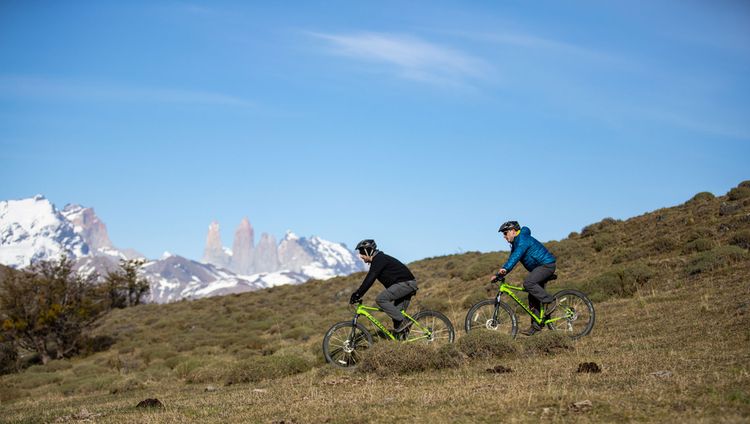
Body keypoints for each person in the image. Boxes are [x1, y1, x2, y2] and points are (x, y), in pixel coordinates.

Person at [495, 221, 557, 336]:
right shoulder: (516, 243)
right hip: (538, 268)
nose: (504, 236)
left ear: (513, 231)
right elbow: (511, 259)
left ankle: (550, 301)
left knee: (528, 283)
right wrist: (500, 274)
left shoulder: (522, 239)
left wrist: (505, 268)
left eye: (505, 233)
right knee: (532, 296)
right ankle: (536, 326)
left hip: (546, 265)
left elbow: (516, 256)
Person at [350, 239, 418, 335]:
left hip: (406, 284)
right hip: (406, 284)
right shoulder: (378, 261)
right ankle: (404, 343)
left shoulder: (379, 259)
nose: (360, 255)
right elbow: (370, 279)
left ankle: (405, 322)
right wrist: (359, 293)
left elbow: (370, 279)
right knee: (397, 320)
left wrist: (358, 293)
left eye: (362, 252)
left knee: (381, 299)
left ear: (368, 251)